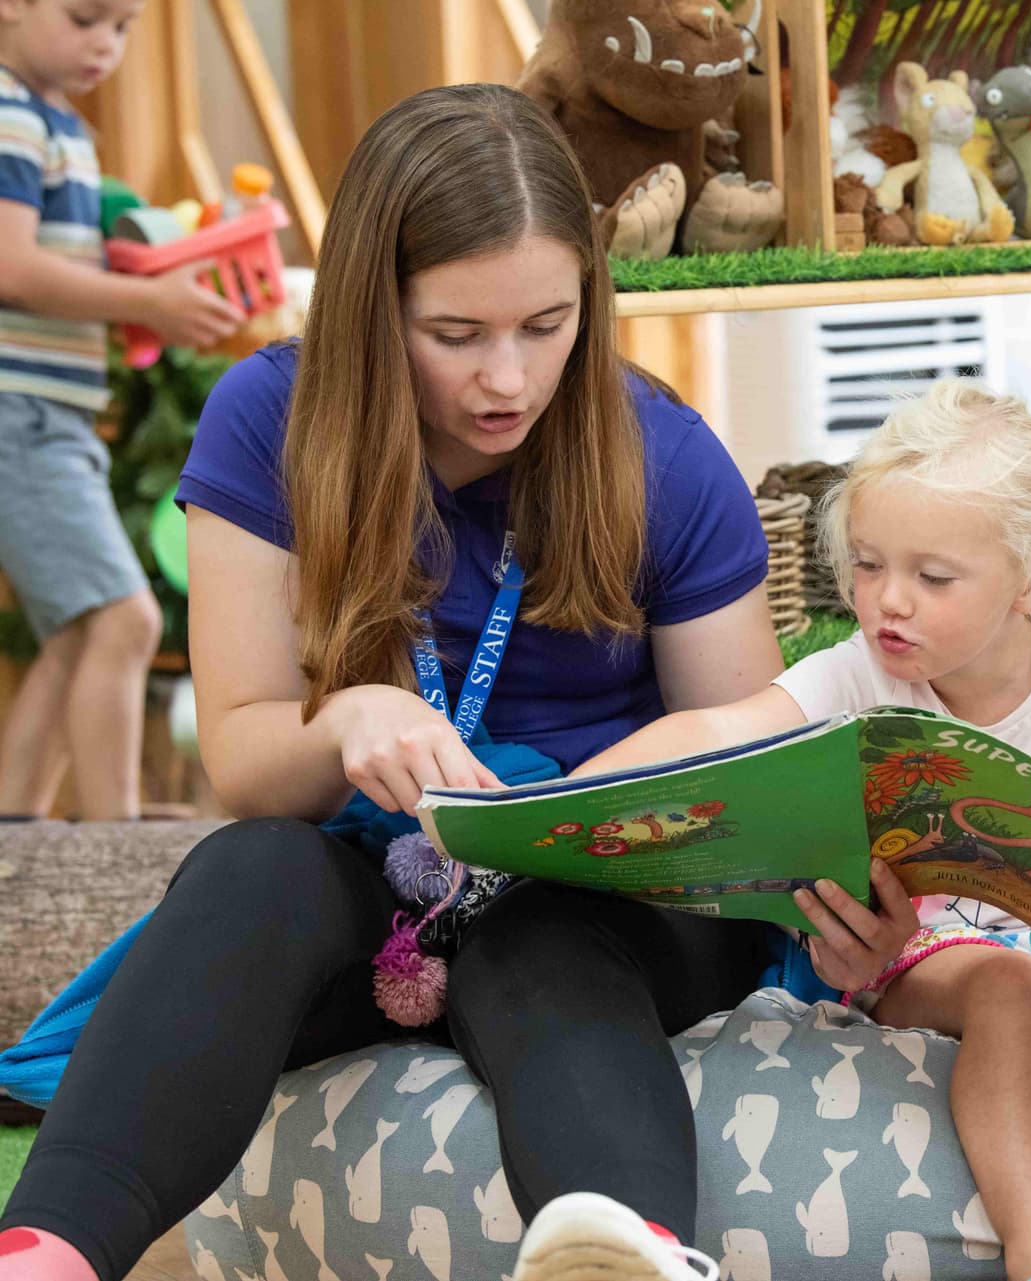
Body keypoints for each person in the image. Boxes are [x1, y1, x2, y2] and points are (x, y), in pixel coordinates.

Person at [0, 83, 914, 1281]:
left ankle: (633, 1259)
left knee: (536, 937)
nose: (509, 380)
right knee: (249, 868)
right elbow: (242, 767)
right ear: (375, 313)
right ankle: (46, 1256)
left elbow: (747, 763)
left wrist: (640, 825)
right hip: (387, 876)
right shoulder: (266, 421)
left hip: (618, 903)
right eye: (457, 335)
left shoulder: (663, 454)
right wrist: (343, 720)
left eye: (547, 325)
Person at [574, 382, 1031, 1281]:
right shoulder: (850, 675)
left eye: (933, 576)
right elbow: (724, 728)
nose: (888, 601)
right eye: (869, 564)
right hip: (918, 952)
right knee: (1012, 986)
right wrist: (576, 799)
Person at [0, 0, 243, 820]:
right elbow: (13, 269)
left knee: (79, 631)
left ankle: (17, 829)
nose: (106, 44)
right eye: (84, 18)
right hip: (18, 412)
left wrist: (152, 285)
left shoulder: (53, 119)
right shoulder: (10, 112)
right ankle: (117, 832)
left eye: (123, 26)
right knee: (124, 619)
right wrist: (146, 299)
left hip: (48, 414)